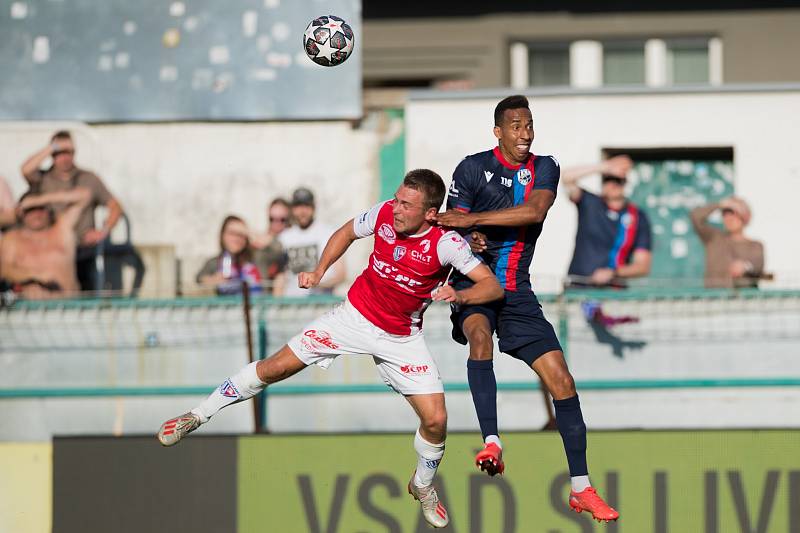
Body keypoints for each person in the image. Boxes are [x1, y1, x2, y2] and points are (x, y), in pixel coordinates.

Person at [157, 169, 503, 528]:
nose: (396, 209)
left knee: (436, 420)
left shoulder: (446, 244)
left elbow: (492, 287)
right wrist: (319, 270)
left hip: (402, 338)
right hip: (351, 319)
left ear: (430, 213)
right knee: (274, 367)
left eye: (406, 204)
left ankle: (423, 486)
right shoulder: (384, 213)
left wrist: (459, 294)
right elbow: (346, 232)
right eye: (397, 199)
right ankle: (197, 415)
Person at [436, 95, 618, 522]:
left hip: (517, 290)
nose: (525, 133)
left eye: (529, 124)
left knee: (562, 379)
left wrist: (470, 221)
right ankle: (492, 442)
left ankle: (581, 488)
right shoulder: (470, 167)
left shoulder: (545, 167)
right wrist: (469, 235)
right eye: (515, 125)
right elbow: (450, 228)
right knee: (478, 337)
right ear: (498, 131)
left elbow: (534, 211)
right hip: (474, 280)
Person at [20, 130, 124, 291]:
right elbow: (26, 169)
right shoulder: (43, 178)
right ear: (52, 154)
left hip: (82, 250)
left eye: (68, 152)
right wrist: (52, 147)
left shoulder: (88, 179)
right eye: (59, 152)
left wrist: (103, 231)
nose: (64, 157)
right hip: (50, 252)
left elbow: (115, 206)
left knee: (84, 298)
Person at [561, 155, 652, 288]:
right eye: (608, 179)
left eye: (619, 180)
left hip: (613, 291)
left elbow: (642, 266)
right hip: (579, 286)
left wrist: (613, 272)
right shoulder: (589, 203)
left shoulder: (637, 216)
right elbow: (566, 177)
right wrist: (605, 166)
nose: (613, 184)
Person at [0, 188, 90, 299]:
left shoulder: (61, 230)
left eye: (41, 208)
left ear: (48, 210)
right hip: (31, 308)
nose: (37, 214)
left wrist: (41, 199)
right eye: (31, 210)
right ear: (21, 213)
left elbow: (85, 196)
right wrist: (34, 276)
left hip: (69, 306)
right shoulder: (12, 239)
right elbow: (4, 270)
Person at [275, 187, 345, 297]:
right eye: (298, 206)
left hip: (321, 302)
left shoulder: (328, 232)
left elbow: (340, 273)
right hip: (291, 304)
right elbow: (280, 277)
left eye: (306, 206)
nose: (302, 211)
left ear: (313, 207)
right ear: (292, 209)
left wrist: (319, 285)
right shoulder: (284, 238)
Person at [690, 197, 764, 288]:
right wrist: (720, 204)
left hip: (743, 299)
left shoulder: (755, 246)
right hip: (714, 298)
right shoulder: (714, 238)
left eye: (733, 214)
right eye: (725, 214)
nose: (728, 218)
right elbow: (695, 217)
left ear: (744, 217)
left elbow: (757, 266)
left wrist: (745, 267)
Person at [196, 215, 263, 295]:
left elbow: (276, 249)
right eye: (232, 233)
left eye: (241, 234)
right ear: (222, 235)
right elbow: (199, 279)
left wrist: (251, 232)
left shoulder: (257, 258)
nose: (236, 238)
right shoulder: (215, 262)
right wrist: (212, 280)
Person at [252, 198, 290, 295]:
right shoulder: (259, 241)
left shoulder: (292, 239)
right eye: (272, 219)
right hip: (261, 294)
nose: (276, 223)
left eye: (282, 220)